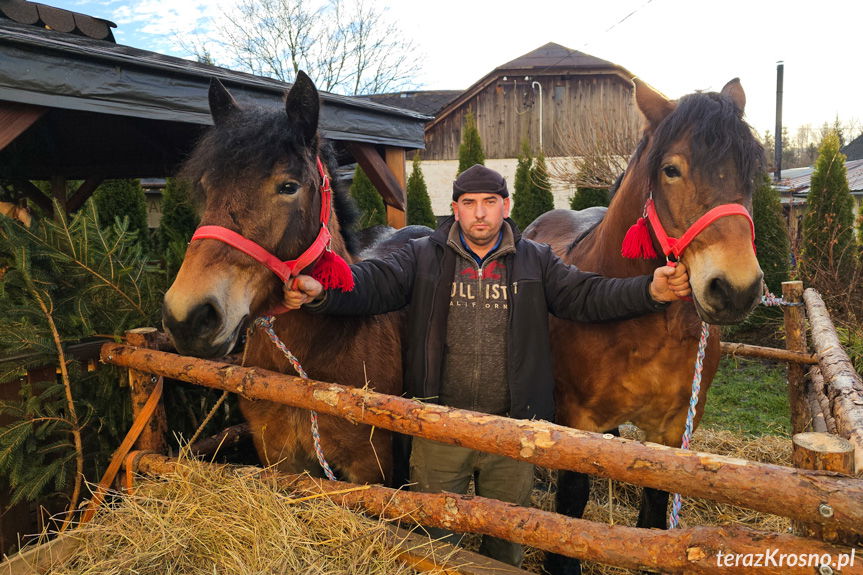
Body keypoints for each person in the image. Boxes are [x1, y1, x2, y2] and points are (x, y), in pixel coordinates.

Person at [284, 164, 690, 566]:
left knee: (507, 542)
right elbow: (370, 284)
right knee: (436, 541)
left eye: (489, 202)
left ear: (505, 206)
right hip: (438, 427)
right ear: (456, 209)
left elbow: (588, 295)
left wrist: (648, 290)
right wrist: (323, 294)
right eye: (469, 203)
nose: (480, 213)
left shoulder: (536, 260)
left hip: (511, 432)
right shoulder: (422, 257)